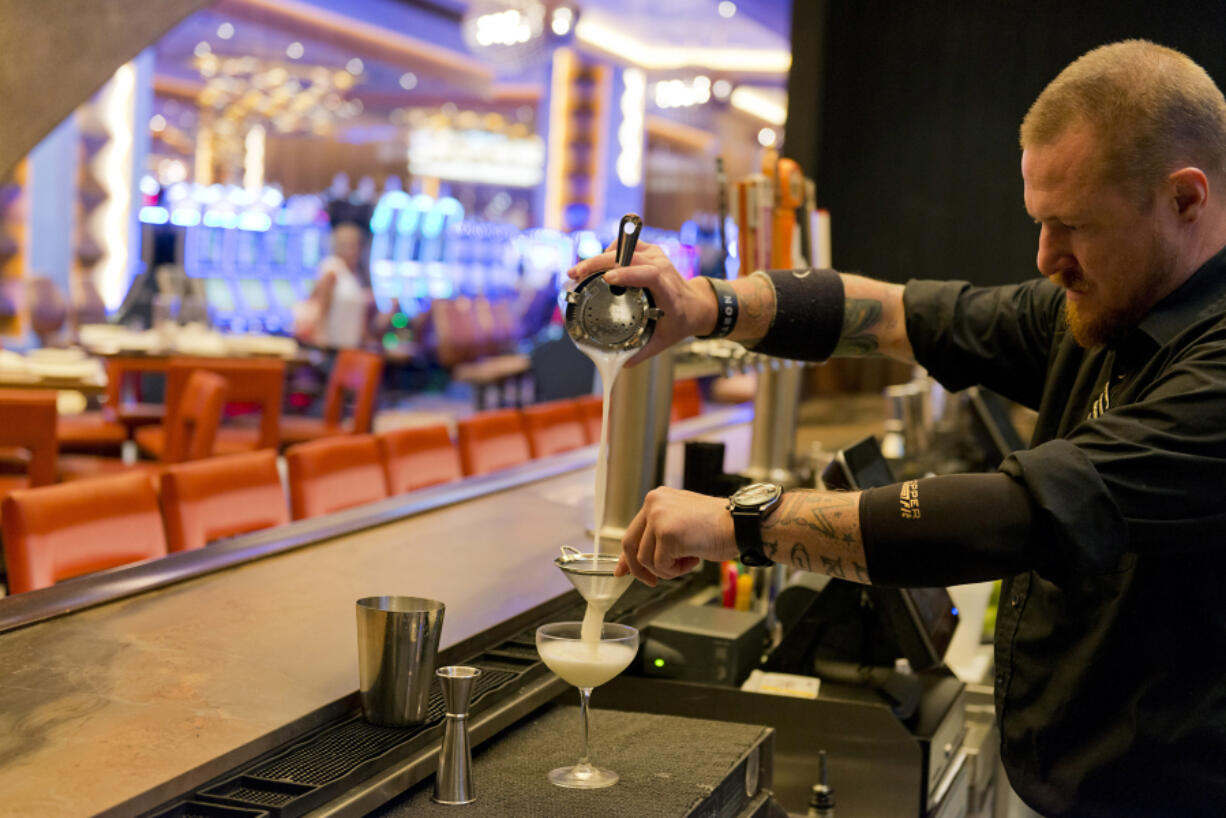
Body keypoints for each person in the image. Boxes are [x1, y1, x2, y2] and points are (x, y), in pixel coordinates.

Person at [567, 40, 1226, 817]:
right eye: (1040, 221)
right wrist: (708, 305)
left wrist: (741, 522)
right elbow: (901, 313)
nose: (1047, 258)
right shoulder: (1110, 307)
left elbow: (1018, 514)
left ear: (1187, 198)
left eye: (1075, 226)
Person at [295, 222, 372, 349]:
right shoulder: (332, 267)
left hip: (349, 343)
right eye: (346, 245)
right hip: (330, 343)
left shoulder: (355, 274)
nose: (351, 250)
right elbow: (321, 304)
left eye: (354, 245)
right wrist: (320, 336)